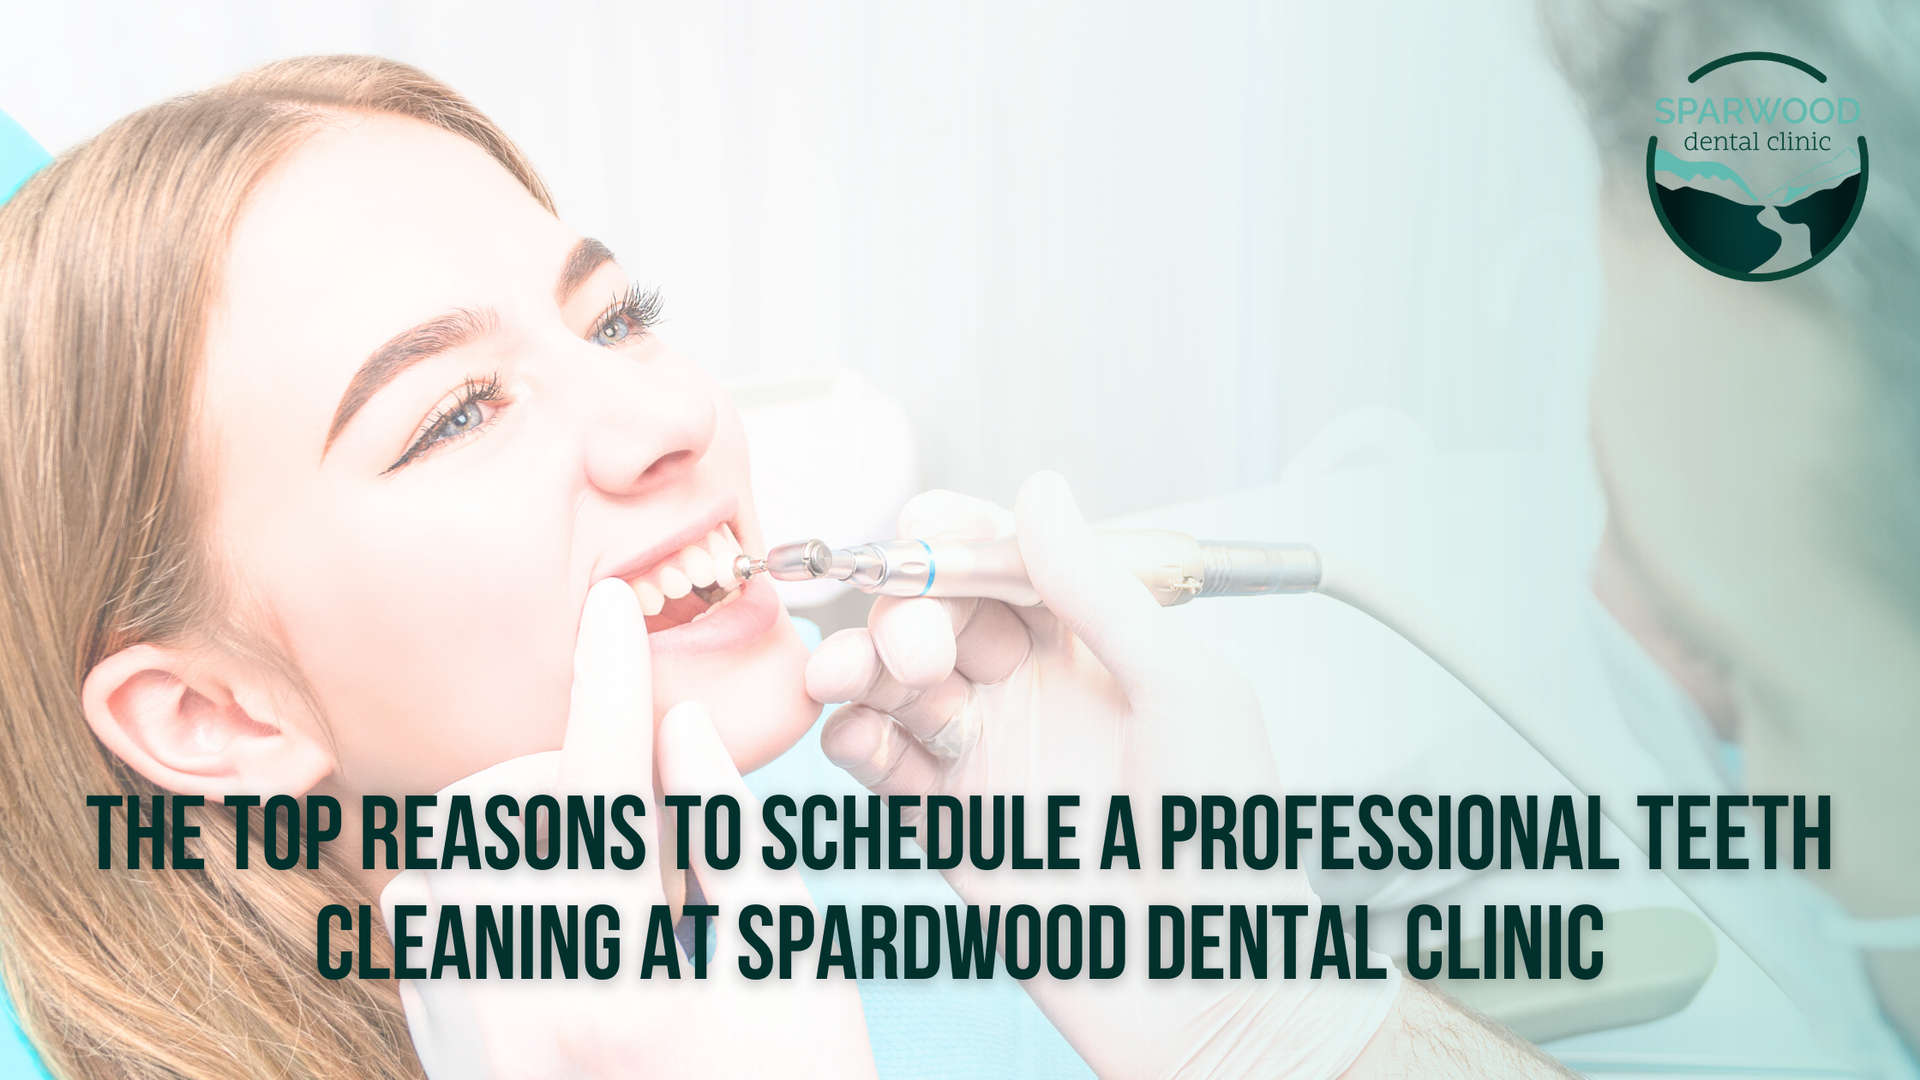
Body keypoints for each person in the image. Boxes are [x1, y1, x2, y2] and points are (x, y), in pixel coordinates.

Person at [0, 55, 1579, 1079]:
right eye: (458, 409)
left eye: (616, 315)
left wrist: (1275, 1019)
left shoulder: (870, 835)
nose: (667, 413)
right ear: (207, 717)